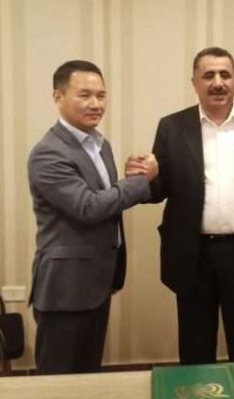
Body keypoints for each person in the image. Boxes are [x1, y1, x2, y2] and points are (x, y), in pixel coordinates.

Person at [142, 46, 234, 366]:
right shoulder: (172, 127)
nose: (218, 82)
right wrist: (146, 178)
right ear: (194, 82)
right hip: (193, 255)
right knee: (195, 348)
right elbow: (158, 191)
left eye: (225, 75)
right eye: (208, 75)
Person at [27, 60, 158, 374]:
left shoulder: (100, 145)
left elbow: (106, 198)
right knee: (58, 381)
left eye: (101, 95)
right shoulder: (49, 152)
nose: (96, 104)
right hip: (66, 287)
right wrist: (142, 182)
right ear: (58, 97)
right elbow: (88, 207)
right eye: (84, 95)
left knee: (87, 377)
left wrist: (129, 177)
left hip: (97, 281)